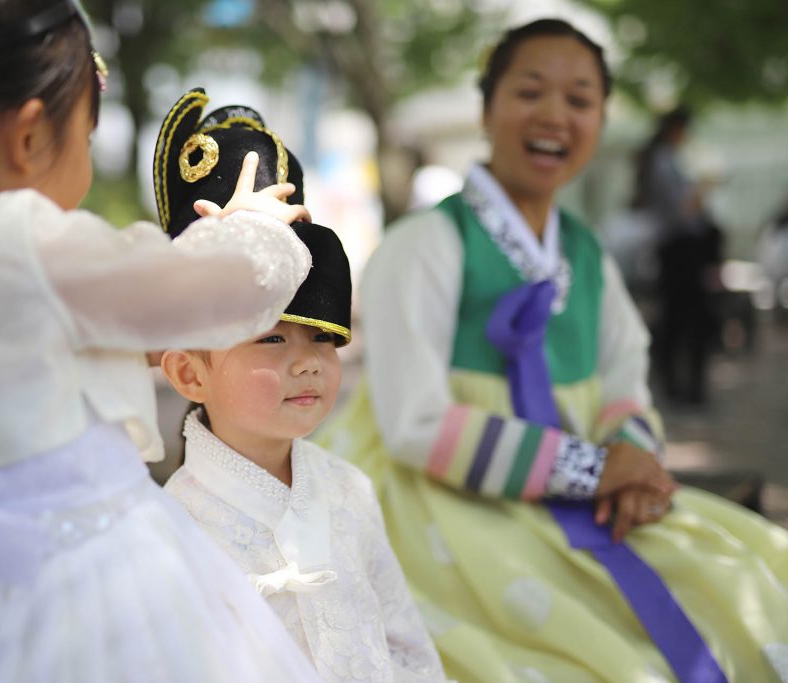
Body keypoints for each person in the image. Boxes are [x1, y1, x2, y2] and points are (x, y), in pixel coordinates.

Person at [0, 1, 327, 681]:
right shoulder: (27, 242)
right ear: (29, 138)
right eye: (86, 136)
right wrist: (255, 228)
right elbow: (212, 291)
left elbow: (47, 362)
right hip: (90, 592)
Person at [320, 18, 788, 682]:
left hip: (591, 497)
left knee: (752, 573)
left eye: (579, 100)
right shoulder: (423, 244)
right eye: (530, 91)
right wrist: (593, 467)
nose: (554, 116)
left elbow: (628, 370)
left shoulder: (586, 253)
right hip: (445, 502)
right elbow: (413, 423)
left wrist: (632, 457)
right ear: (487, 108)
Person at [153, 91, 448, 683]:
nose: (309, 362)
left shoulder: (349, 491)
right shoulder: (167, 529)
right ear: (190, 371)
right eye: (271, 339)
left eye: (322, 338)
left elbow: (406, 645)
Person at [631, 106, 724, 403]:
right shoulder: (663, 161)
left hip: (676, 250)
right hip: (679, 250)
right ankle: (679, 386)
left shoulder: (663, 160)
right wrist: (699, 193)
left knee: (676, 318)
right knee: (684, 319)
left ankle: (678, 385)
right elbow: (680, 212)